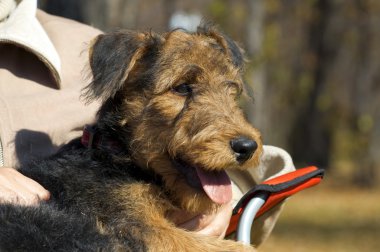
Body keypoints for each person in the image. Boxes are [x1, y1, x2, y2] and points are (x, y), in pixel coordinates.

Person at [0, 0, 295, 247]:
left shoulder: (73, 38)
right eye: (182, 89)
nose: (232, 120)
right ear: (126, 95)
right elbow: (142, 236)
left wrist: (226, 199)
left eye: (230, 91)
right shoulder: (108, 192)